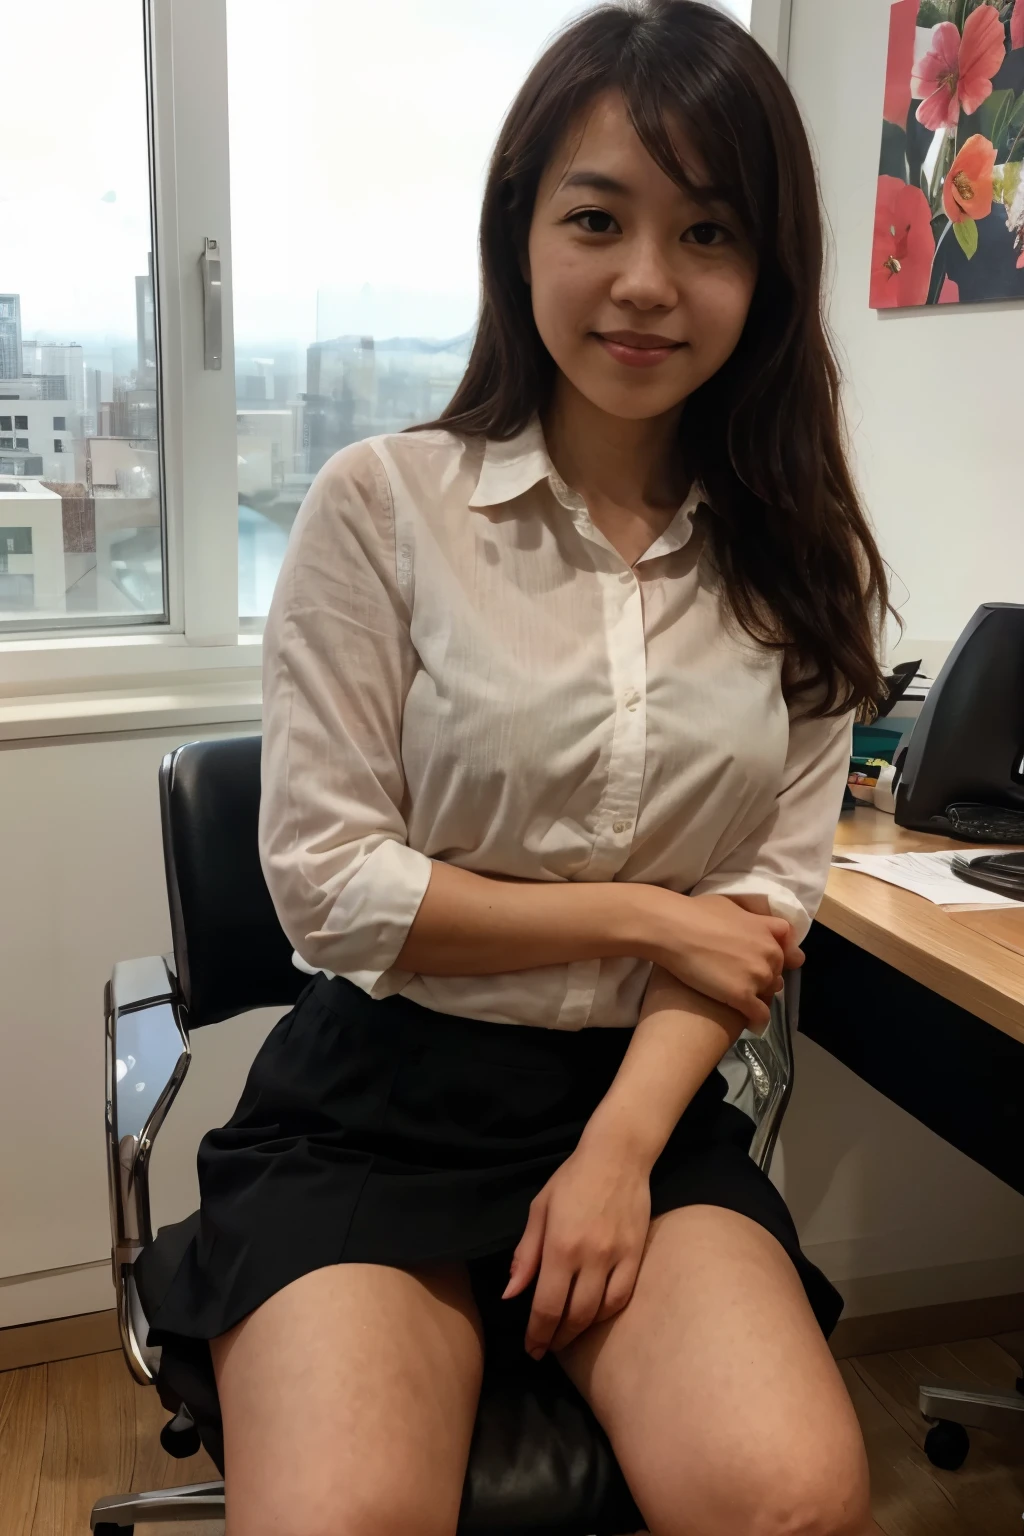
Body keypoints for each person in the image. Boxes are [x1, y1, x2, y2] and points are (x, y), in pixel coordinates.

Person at [143, 3, 893, 1532]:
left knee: (794, 1498)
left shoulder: (801, 566)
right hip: (378, 1099)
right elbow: (337, 892)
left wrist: (619, 1149)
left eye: (707, 234)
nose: (645, 282)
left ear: (767, 271)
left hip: (641, 1098)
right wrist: (643, 914)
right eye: (597, 219)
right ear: (521, 235)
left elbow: (756, 907)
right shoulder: (384, 508)